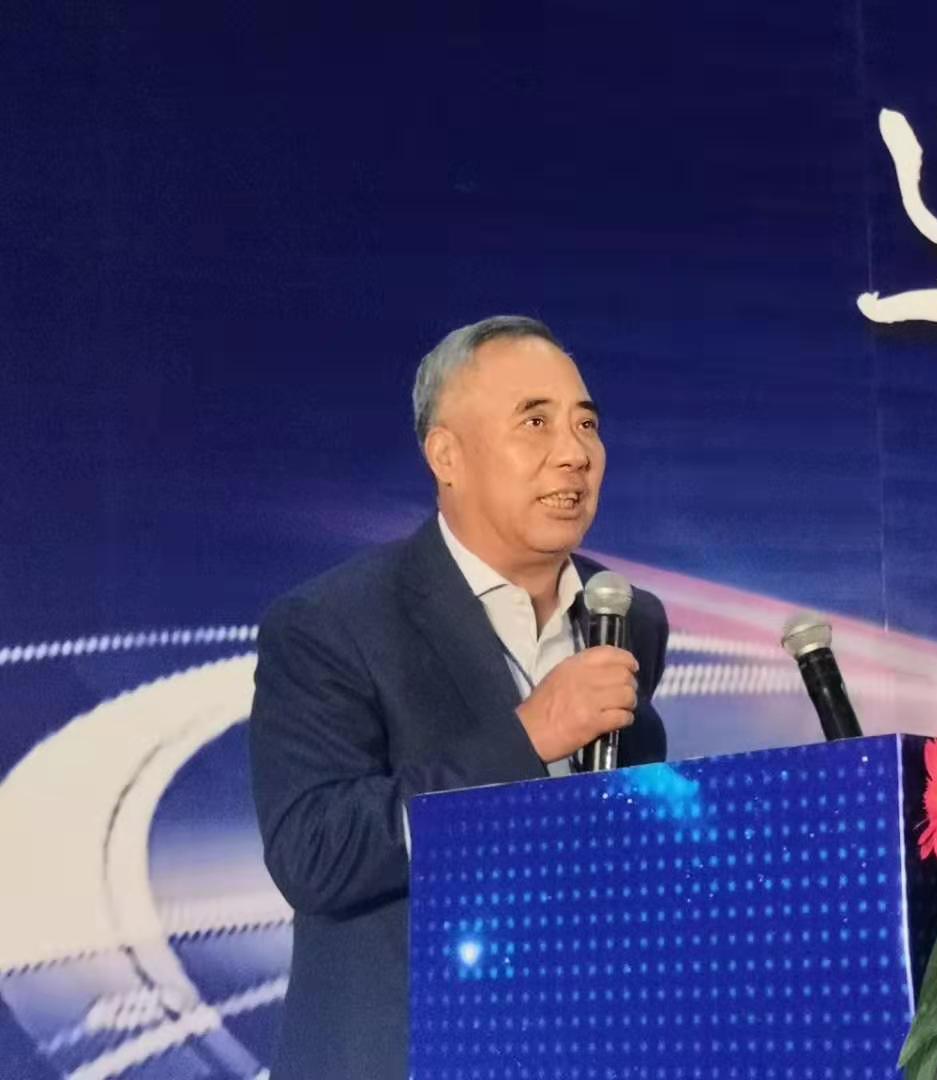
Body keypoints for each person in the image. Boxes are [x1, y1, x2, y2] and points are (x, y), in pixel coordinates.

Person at [248, 316, 668, 1080]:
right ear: (447, 455)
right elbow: (315, 853)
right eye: (535, 422)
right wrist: (527, 737)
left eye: (586, 424)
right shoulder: (331, 623)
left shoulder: (628, 618)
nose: (574, 453)